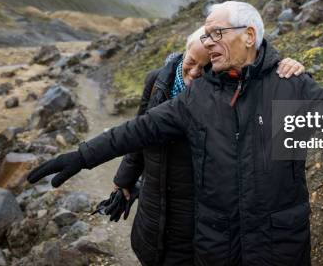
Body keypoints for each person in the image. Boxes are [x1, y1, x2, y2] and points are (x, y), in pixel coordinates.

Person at [28, 1, 323, 266]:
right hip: (214, 250)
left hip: (277, 248)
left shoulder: (292, 86)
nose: (207, 44)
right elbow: (138, 130)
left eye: (215, 34)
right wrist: (81, 156)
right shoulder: (197, 95)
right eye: (204, 37)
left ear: (249, 35)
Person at [113, 26, 305, 266]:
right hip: (153, 205)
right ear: (183, 52)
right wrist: (124, 180)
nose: (193, 72)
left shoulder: (224, 96)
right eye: (190, 61)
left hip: (195, 217)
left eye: (203, 69)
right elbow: (139, 132)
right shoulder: (157, 81)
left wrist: (282, 68)